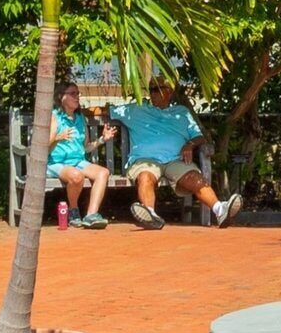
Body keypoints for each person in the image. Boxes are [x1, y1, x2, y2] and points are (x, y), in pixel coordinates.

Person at [116, 76, 235, 226]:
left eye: (156, 89)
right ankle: (150, 215)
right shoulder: (135, 110)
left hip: (175, 159)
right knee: (145, 177)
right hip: (146, 160)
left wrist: (189, 145)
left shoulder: (182, 112)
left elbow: (199, 137)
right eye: (150, 90)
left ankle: (220, 210)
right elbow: (101, 111)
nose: (152, 93)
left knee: (193, 176)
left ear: (169, 92)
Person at [45, 80, 109, 225]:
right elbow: (43, 146)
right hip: (56, 162)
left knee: (102, 173)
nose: (77, 97)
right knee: (76, 176)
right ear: (61, 97)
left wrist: (101, 140)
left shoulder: (80, 118)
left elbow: (85, 147)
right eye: (72, 93)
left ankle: (91, 215)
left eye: (77, 93)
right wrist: (57, 138)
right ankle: (73, 210)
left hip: (78, 161)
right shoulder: (54, 117)